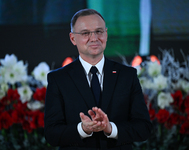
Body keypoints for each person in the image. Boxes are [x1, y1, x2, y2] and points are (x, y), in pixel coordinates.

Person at [44, 8, 153, 150]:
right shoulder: (58, 79)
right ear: (73, 38)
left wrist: (111, 128)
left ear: (106, 34)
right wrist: (82, 129)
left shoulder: (127, 75)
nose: (94, 38)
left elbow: (143, 128)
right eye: (85, 33)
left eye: (99, 31)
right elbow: (52, 134)